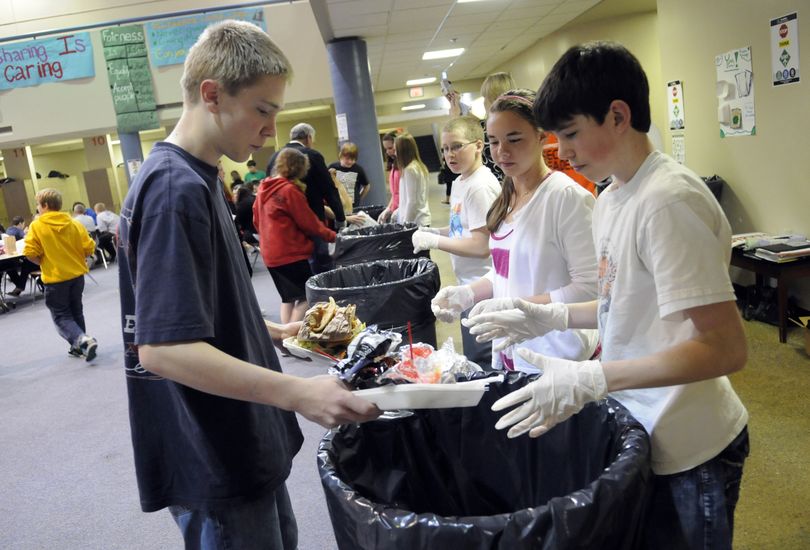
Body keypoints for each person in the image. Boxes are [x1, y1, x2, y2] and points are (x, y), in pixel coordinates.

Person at [467, 42, 749, 549]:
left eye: (571, 134)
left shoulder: (667, 200)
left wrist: (596, 374)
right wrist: (547, 316)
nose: (564, 151)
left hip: (692, 442)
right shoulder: (615, 194)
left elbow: (725, 348)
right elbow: (619, 303)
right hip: (643, 423)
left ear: (618, 115)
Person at [115, 20, 378, 549]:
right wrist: (300, 392)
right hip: (214, 449)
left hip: (236, 438)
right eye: (263, 110)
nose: (270, 131)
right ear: (212, 95)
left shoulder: (198, 175)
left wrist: (274, 333)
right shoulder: (174, 189)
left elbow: (188, 311)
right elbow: (164, 349)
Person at [432, 90, 598, 373]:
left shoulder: (566, 198)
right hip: (514, 350)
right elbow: (506, 270)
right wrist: (469, 293)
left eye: (514, 139)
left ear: (541, 136)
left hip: (558, 357)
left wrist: (518, 307)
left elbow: (590, 288)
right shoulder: (507, 196)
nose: (502, 152)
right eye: (495, 142)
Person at [411, 115, 500, 366]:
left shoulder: (479, 186)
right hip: (466, 286)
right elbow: (460, 228)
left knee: (483, 361)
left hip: (484, 290)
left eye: (457, 146)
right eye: (446, 149)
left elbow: (481, 246)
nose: (450, 154)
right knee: (474, 356)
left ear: (479, 146)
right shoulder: (461, 181)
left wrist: (434, 242)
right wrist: (432, 232)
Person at [256, 148, 336, 323]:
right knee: (306, 297)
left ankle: (286, 337)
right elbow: (309, 222)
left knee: (288, 299)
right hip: (289, 254)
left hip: (270, 254)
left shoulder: (263, 188)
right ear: (300, 168)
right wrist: (332, 236)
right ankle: (289, 336)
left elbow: (256, 221)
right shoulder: (289, 191)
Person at [23, 188, 98, 360]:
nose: (37, 208)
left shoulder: (37, 226)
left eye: (38, 205)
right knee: (76, 311)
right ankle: (79, 347)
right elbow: (89, 248)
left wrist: (43, 262)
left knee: (61, 316)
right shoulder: (74, 223)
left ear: (45, 205)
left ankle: (81, 340)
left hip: (56, 279)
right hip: (77, 277)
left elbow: (30, 252)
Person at [267, 122, 345, 273]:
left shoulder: (273, 158)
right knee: (322, 268)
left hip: (282, 231)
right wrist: (340, 218)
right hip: (313, 222)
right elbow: (328, 189)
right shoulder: (312, 155)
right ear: (309, 137)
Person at [393, 133, 431, 227]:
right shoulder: (418, 167)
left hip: (416, 222)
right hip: (419, 220)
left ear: (402, 151)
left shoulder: (410, 169)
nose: (395, 153)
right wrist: (397, 211)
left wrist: (405, 225)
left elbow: (412, 201)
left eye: (396, 150)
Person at [328, 141, 371, 207]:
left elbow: (367, 186)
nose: (350, 161)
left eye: (353, 159)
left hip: (353, 205)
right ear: (341, 156)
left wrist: (359, 198)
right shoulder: (332, 167)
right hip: (337, 204)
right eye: (347, 159)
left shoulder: (358, 169)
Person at [377, 130, 400, 223]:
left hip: (404, 211)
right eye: (386, 149)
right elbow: (394, 194)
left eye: (390, 148)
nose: (388, 152)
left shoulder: (405, 166)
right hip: (396, 210)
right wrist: (388, 208)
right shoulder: (394, 165)